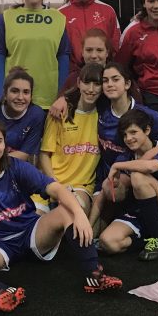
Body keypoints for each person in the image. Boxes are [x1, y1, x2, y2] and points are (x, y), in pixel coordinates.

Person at [0, 115, 123, 312]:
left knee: (68, 209)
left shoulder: (16, 167)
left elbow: (57, 189)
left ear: (5, 144)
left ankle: (94, 275)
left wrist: (80, 215)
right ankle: (0, 291)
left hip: (32, 233)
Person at [98, 109, 158, 260]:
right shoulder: (126, 156)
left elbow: (150, 167)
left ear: (147, 130)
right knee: (108, 242)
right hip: (142, 213)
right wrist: (114, 185)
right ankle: (150, 239)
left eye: (133, 132)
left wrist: (117, 166)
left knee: (138, 176)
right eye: (125, 135)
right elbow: (114, 189)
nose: (129, 138)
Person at [0, 0, 70, 110]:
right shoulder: (8, 17)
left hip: (48, 98)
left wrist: (61, 94)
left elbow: (63, 57)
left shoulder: (58, 18)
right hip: (15, 96)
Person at [37, 63, 105, 214]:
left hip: (80, 186)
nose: (91, 89)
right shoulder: (60, 112)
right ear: (79, 83)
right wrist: (54, 183)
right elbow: (44, 154)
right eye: (87, 83)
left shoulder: (104, 117)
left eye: (97, 84)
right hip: (51, 181)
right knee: (33, 221)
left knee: (72, 212)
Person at [58, 0, 120, 72]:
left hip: (101, 74)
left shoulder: (107, 11)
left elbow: (115, 45)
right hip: (72, 75)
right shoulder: (60, 14)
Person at [49, 28, 112, 119]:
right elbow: (59, 105)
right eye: (89, 50)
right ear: (82, 52)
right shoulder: (73, 79)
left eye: (99, 50)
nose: (94, 55)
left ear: (107, 53)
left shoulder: (117, 77)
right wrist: (62, 99)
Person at [0, 67, 46, 162]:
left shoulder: (36, 115)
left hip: (15, 164)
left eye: (26, 92)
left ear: (31, 96)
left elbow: (24, 154)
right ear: (5, 94)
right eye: (15, 91)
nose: (20, 97)